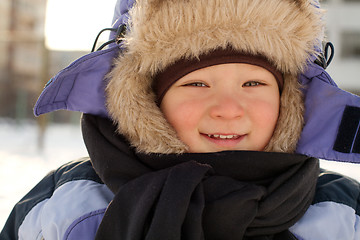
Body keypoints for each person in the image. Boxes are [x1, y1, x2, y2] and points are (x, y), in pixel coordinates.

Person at [1, 0, 360, 239]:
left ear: (289, 101)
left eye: (253, 83)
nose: (228, 109)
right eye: (196, 83)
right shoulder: (64, 206)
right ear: (146, 101)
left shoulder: (343, 213)